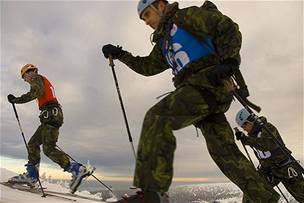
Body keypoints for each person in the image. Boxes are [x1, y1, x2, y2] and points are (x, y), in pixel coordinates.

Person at [102, 0, 280, 202]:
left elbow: (226, 27)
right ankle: (266, 198)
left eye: (147, 15)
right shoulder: (164, 42)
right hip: (202, 93)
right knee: (225, 155)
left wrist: (230, 61)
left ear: (160, 6)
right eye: (143, 19)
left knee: (158, 117)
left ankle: (153, 193)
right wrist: (122, 55)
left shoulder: (185, 18)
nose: (146, 22)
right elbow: (148, 67)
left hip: (207, 85)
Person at [7, 64, 91, 191]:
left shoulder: (36, 78)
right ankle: (32, 176)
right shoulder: (41, 79)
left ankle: (77, 169)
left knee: (48, 149)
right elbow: (41, 93)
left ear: (29, 73)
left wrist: (16, 100)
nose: (26, 80)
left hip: (51, 116)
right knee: (33, 143)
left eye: (25, 77)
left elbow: (36, 92)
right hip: (51, 116)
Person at [235, 108, 304, 202]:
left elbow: (266, 144)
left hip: (285, 167)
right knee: (252, 190)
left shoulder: (268, 128)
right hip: (269, 170)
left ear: (251, 120)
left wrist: (246, 139)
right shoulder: (252, 135)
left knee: (301, 194)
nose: (244, 129)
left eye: (244, 125)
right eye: (242, 127)